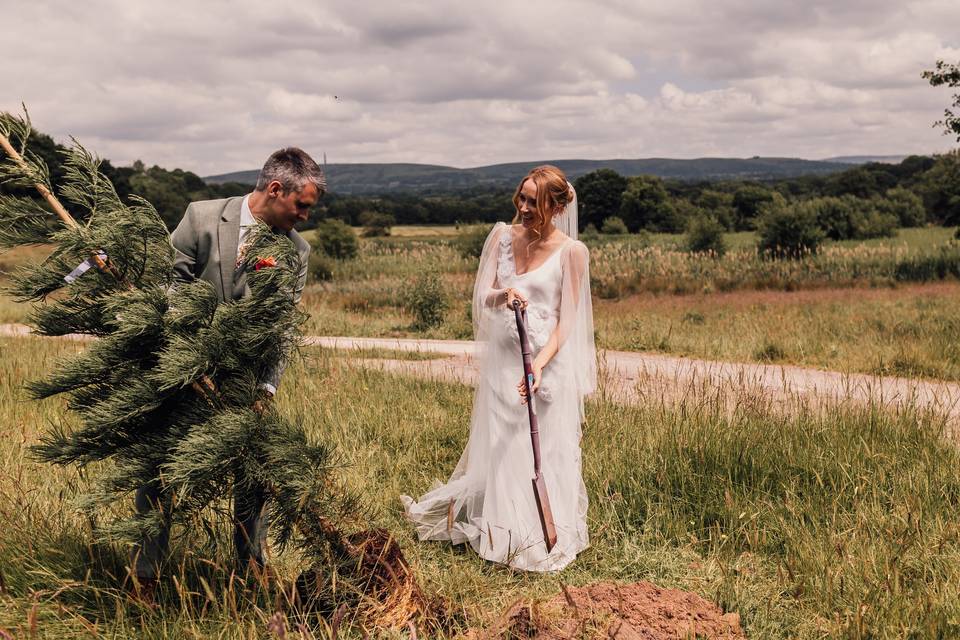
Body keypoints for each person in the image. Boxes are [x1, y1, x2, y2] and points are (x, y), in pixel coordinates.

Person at [130, 147, 323, 592]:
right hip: (182, 373)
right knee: (158, 471)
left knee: (253, 470)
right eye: (302, 206)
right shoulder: (200, 218)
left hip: (244, 383)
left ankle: (249, 570)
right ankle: (146, 575)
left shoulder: (296, 252)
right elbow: (169, 285)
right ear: (276, 189)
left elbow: (282, 328)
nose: (306, 217)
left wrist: (266, 390)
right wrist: (190, 354)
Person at [402, 165, 596, 571]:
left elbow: (567, 323)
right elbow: (481, 296)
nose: (523, 208)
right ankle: (502, 535)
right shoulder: (502, 238)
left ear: (557, 207)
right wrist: (503, 296)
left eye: (534, 202)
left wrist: (540, 365)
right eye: (521, 197)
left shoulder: (572, 253)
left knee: (541, 449)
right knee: (504, 445)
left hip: (544, 367)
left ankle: (541, 535)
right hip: (504, 364)